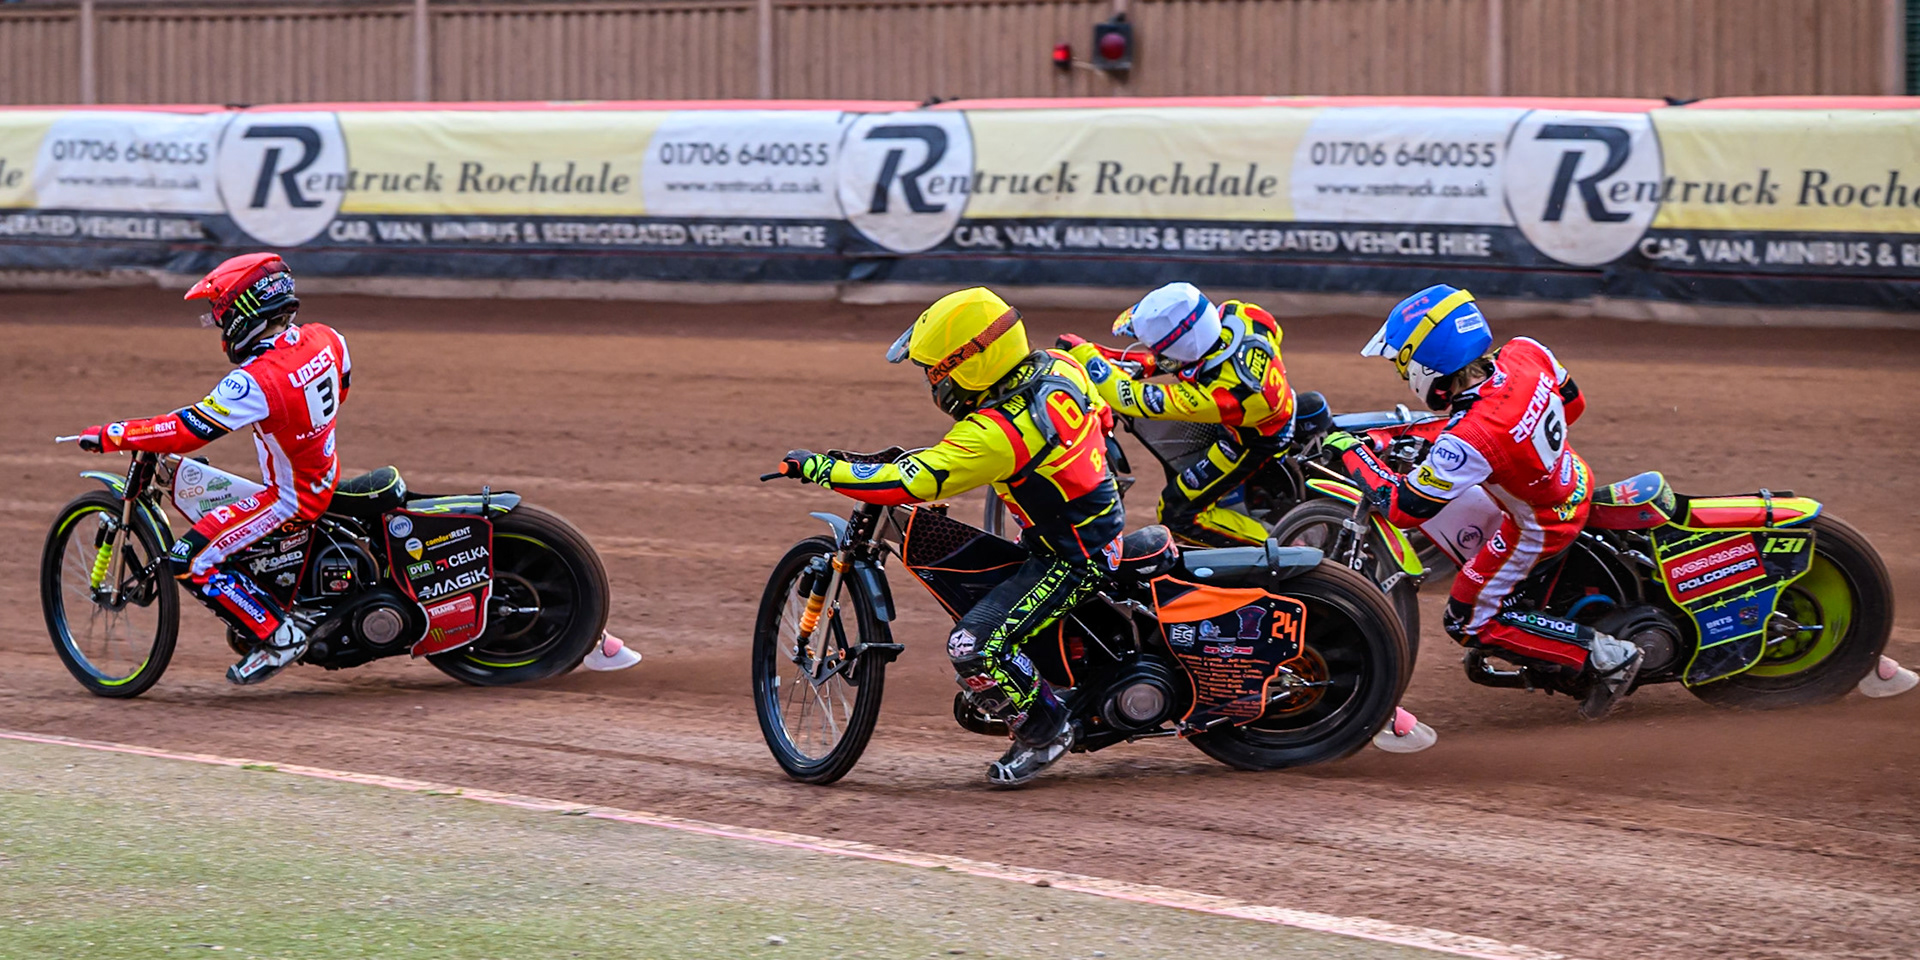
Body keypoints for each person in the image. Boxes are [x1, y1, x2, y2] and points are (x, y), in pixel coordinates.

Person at [778, 287, 1124, 787]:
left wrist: (819, 466)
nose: (931, 381)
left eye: (935, 369)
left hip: (1072, 560)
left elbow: (911, 482)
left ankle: (1046, 733)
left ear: (971, 364)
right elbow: (1099, 404)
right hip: (1084, 530)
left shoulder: (999, 431)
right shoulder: (1055, 368)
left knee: (973, 646)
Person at [1330, 284, 1642, 720]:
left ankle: (1604, 657)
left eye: (1404, 368)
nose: (1404, 378)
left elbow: (1401, 506)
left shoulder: (1471, 438)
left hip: (1540, 524)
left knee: (1466, 619)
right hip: (1573, 477)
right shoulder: (1526, 351)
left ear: (1426, 362)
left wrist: (1351, 451)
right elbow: (1573, 404)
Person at [78, 253, 348, 686]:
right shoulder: (327, 339)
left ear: (246, 312)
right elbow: (345, 383)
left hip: (289, 498)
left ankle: (279, 635)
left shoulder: (257, 379)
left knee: (190, 559)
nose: (221, 326)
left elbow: (186, 431)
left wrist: (113, 434)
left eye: (222, 315)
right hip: (322, 470)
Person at [1058, 282, 1293, 548]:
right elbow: (1182, 357)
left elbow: (1131, 398)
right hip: (1277, 402)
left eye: (1157, 349)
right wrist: (1107, 356)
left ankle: (1284, 546)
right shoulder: (1242, 314)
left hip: (1252, 442)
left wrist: (1085, 354)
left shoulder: (1221, 395)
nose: (1154, 354)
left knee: (1177, 512)